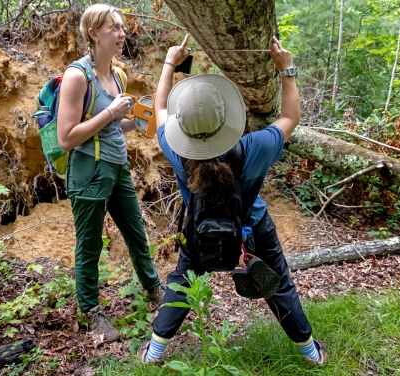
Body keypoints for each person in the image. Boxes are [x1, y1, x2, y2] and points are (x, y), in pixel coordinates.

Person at [136, 35, 328, 364]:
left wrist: (169, 62)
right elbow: (290, 117)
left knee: (181, 283)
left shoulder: (173, 146)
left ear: (185, 127)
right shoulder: (255, 147)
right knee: (278, 283)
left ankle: (153, 353)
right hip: (252, 229)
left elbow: (161, 107)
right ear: (227, 119)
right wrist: (287, 70)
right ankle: (311, 354)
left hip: (199, 232)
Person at [56, 4, 164, 342]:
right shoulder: (77, 76)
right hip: (88, 171)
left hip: (117, 168)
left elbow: (115, 126)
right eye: (114, 28)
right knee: (89, 246)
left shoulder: (118, 75)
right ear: (94, 34)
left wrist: (140, 120)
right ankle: (91, 312)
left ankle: (154, 291)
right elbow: (66, 138)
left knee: (136, 235)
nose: (122, 33)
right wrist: (112, 113)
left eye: (122, 27)